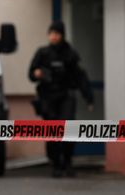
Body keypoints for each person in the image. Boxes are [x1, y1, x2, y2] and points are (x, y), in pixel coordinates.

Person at [28, 21, 94, 178]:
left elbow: (80, 77)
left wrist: (88, 97)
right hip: (48, 97)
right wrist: (36, 73)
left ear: (62, 35)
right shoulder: (42, 53)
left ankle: (67, 162)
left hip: (65, 96)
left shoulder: (69, 54)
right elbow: (31, 74)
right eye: (51, 33)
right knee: (52, 131)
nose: (53, 37)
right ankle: (55, 163)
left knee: (68, 128)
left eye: (56, 34)